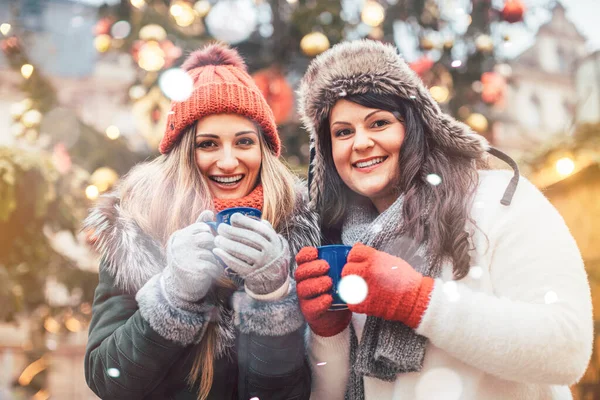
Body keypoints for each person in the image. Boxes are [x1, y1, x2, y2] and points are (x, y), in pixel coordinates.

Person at [294, 39, 593, 400]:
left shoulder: (497, 201)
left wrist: (420, 301)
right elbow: (332, 394)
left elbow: (566, 348)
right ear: (328, 152)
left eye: (379, 122)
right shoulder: (340, 245)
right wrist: (328, 334)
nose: (360, 143)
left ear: (414, 127)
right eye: (343, 132)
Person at [82, 43, 319, 400]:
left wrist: (272, 297)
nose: (228, 161)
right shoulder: (138, 229)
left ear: (264, 149)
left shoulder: (296, 229)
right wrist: (172, 297)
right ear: (184, 152)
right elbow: (108, 378)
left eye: (243, 142)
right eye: (208, 144)